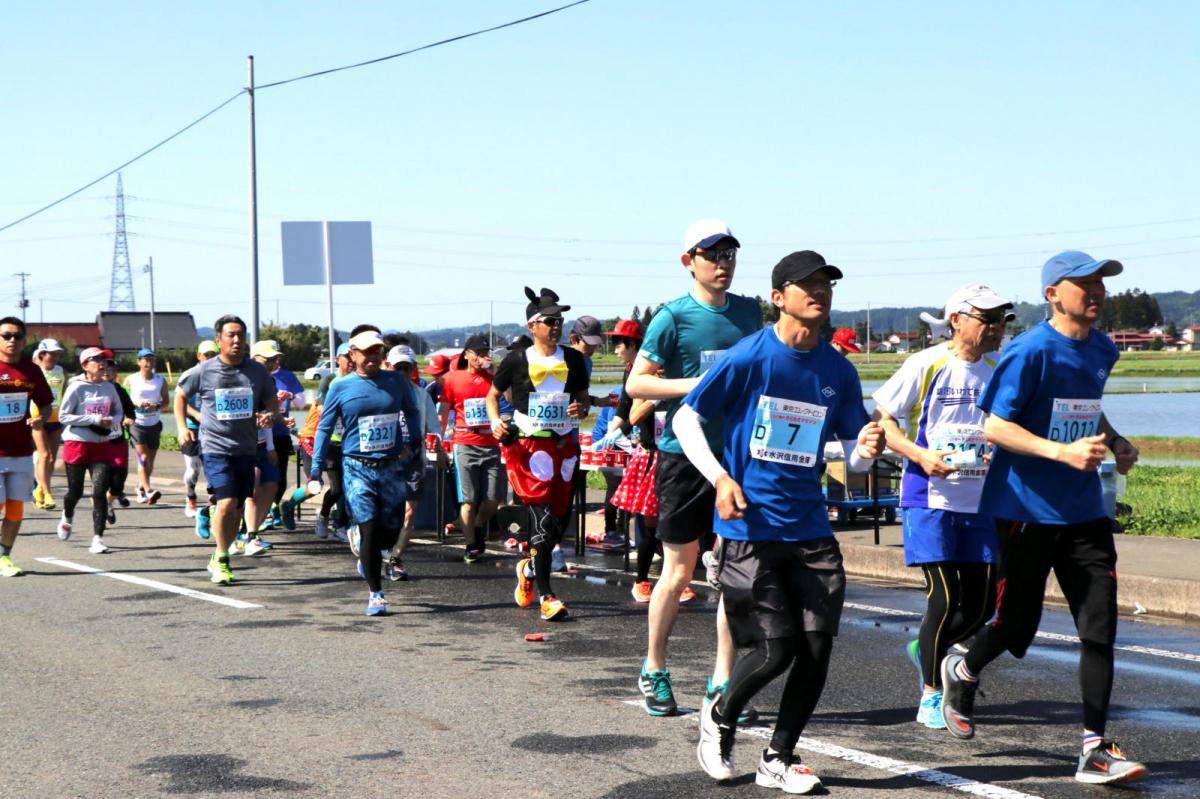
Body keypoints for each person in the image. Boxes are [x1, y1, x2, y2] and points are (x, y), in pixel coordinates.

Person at [677, 251, 885, 792]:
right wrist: (721, 478)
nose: (819, 292)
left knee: (816, 648)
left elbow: (854, 458)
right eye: (807, 284)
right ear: (778, 297)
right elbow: (685, 418)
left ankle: (778, 757)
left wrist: (867, 448)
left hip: (810, 527)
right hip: (751, 528)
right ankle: (719, 717)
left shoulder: (838, 370)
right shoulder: (749, 357)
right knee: (775, 651)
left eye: (826, 284)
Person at [940, 251, 1147, 785]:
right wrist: (1061, 452)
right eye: (1085, 283)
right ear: (1053, 294)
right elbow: (995, 426)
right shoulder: (1029, 351)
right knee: (1017, 625)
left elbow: (1085, 405)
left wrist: (1115, 440)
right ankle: (963, 666)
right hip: (1024, 510)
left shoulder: (1102, 347)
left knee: (1099, 626)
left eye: (1101, 283)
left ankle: (1094, 748)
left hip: (1084, 510)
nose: (1097, 292)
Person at [625, 219, 762, 717]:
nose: (722, 264)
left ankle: (722, 680)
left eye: (729, 255)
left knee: (733, 574)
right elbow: (638, 385)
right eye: (712, 255)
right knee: (679, 570)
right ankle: (654, 668)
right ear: (689, 261)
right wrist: (699, 384)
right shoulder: (672, 317)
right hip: (683, 456)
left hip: (736, 457)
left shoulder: (749, 312)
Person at [871, 283, 1014, 729]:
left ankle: (926, 649)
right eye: (987, 319)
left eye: (1002, 320)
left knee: (982, 608)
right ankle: (932, 694)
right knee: (945, 596)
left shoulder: (999, 367)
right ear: (956, 320)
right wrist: (920, 455)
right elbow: (883, 421)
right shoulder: (926, 363)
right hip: (928, 495)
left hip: (982, 499)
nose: (996, 328)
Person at [487, 287, 589, 621]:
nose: (556, 326)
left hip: (564, 446)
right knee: (542, 520)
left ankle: (529, 568)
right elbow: (492, 396)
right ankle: (548, 596)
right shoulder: (517, 359)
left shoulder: (574, 359)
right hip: (529, 447)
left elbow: (583, 399)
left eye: (559, 321)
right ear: (533, 326)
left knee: (559, 520)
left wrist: (581, 408)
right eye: (550, 321)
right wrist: (495, 422)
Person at [310, 327, 419, 616]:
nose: (373, 356)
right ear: (353, 354)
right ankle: (376, 593)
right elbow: (324, 427)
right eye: (367, 352)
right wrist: (316, 468)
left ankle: (367, 554)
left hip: (391, 465)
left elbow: (411, 411)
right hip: (357, 466)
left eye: (377, 351)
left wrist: (413, 442)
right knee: (370, 529)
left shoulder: (395, 380)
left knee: (391, 532)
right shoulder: (340, 386)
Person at [175, 315, 277, 585]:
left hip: (245, 447)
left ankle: (220, 550)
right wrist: (181, 427)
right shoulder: (204, 370)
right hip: (214, 447)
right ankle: (221, 557)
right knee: (227, 502)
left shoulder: (258, 371)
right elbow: (180, 395)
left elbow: (271, 401)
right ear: (219, 340)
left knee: (238, 508)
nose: (236, 340)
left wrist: (269, 415)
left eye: (241, 335)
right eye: (231, 335)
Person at [602, 319, 697, 603]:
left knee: (677, 522)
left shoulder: (680, 373)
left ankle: (676, 580)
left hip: (680, 453)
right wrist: (657, 395)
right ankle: (641, 580)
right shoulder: (640, 376)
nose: (616, 349)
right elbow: (631, 415)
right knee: (650, 522)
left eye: (619, 344)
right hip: (651, 455)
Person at [440, 334, 507, 563]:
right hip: (465, 443)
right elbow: (443, 412)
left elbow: (509, 397)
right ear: (467, 354)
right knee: (468, 500)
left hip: (491, 443)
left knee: (492, 499)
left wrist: (496, 372)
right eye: (478, 353)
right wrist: (438, 441)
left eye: (485, 353)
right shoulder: (452, 379)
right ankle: (470, 546)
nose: (482, 357)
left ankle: (477, 525)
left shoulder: (493, 378)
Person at [57, 347, 128, 554]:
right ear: (85, 365)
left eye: (104, 359)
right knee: (76, 491)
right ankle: (67, 514)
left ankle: (98, 538)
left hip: (102, 444)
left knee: (99, 492)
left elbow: (119, 412)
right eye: (96, 359)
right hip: (77, 444)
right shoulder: (76, 387)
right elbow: (63, 416)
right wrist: (94, 419)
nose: (102, 363)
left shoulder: (109, 388)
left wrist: (112, 421)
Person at [387, 343, 446, 581]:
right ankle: (375, 549)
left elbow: (434, 428)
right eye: (398, 367)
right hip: (385, 461)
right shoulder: (380, 394)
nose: (403, 372)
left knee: (409, 512)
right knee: (387, 512)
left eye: (407, 368)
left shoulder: (421, 395)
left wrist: (438, 449)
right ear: (389, 367)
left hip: (414, 460)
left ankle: (396, 558)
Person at [0, 317, 53, 577]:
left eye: (17, 336)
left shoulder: (31, 371)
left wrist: (41, 417)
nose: (12, 340)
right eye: (6, 335)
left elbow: (46, 403)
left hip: (20, 450)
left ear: (24, 340)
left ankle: (4, 557)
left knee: (15, 507)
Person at [284, 343, 352, 540]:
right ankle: (288, 506)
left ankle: (337, 523)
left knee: (341, 487)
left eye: (353, 355)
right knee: (315, 486)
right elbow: (324, 411)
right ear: (338, 359)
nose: (352, 360)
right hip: (314, 439)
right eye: (347, 356)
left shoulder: (358, 381)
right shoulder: (330, 380)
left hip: (341, 441)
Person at [256, 340, 306, 529]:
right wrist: (273, 401)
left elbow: (301, 404)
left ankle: (272, 509)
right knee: (258, 479)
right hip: (257, 435)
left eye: (277, 357)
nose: (274, 361)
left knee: (279, 478)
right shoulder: (255, 376)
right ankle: (259, 516)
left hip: (280, 433)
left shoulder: (288, 376)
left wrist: (290, 396)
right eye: (270, 358)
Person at [123, 347, 170, 504]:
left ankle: (140, 487)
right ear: (139, 362)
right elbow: (122, 400)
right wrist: (137, 404)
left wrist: (157, 406)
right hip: (137, 423)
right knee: (143, 458)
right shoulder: (130, 379)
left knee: (150, 461)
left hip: (154, 424)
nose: (149, 362)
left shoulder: (161, 380)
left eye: (152, 359)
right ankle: (149, 491)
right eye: (146, 359)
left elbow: (166, 401)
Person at [181, 340, 217, 521]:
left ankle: (213, 505)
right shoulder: (190, 375)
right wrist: (195, 414)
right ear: (199, 356)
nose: (210, 359)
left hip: (213, 430)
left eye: (213, 355)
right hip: (193, 428)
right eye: (206, 355)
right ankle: (190, 498)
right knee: (193, 471)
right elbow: (180, 401)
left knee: (214, 469)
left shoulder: (221, 374)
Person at [31, 338, 66, 511]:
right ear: (42, 354)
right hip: (38, 418)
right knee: (44, 455)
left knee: (52, 458)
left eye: (57, 353)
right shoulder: (34, 371)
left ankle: (39, 489)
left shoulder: (60, 370)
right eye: (51, 353)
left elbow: (63, 392)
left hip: (56, 418)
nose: (55, 356)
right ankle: (48, 493)